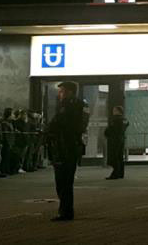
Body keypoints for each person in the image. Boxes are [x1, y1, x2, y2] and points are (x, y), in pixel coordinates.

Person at [46, 81, 86, 221]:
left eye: (62, 91)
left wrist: (48, 132)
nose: (59, 94)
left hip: (65, 147)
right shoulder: (79, 105)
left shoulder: (69, 106)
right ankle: (65, 210)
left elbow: (59, 123)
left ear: (69, 92)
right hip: (70, 146)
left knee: (63, 182)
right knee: (65, 182)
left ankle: (66, 212)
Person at [104, 106, 129, 180]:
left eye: (114, 110)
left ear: (118, 111)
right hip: (121, 139)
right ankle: (121, 173)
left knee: (114, 157)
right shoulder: (125, 120)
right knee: (120, 157)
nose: (113, 111)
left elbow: (109, 130)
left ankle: (115, 174)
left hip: (114, 140)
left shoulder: (115, 120)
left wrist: (107, 134)